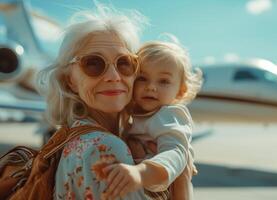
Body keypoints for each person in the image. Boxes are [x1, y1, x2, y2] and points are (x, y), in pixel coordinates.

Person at [37, 5, 170, 200]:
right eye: (93, 63)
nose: (113, 76)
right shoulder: (105, 147)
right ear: (70, 80)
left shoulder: (73, 136)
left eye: (124, 63)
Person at [124, 38, 202, 199]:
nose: (151, 86)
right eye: (142, 78)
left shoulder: (169, 115)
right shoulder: (133, 114)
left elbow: (175, 152)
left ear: (180, 91)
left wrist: (141, 172)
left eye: (164, 81)